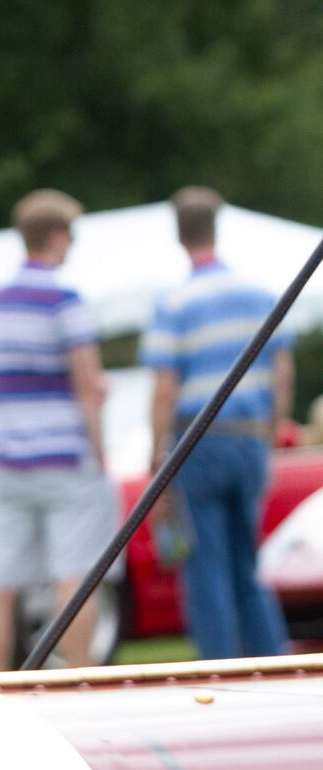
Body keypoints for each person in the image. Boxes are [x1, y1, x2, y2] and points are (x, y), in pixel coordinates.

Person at [0, 189, 119, 672]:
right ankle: (76, 682)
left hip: (11, 459)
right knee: (75, 576)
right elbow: (86, 385)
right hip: (63, 457)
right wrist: (101, 454)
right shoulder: (64, 298)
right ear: (57, 236)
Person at [140, 186, 292, 659]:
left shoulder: (175, 301)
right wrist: (270, 434)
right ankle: (273, 663)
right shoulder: (259, 292)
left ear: (179, 235)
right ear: (216, 226)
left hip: (199, 442)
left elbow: (165, 388)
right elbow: (281, 372)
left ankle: (219, 673)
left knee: (205, 565)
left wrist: (156, 452)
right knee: (247, 564)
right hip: (249, 440)